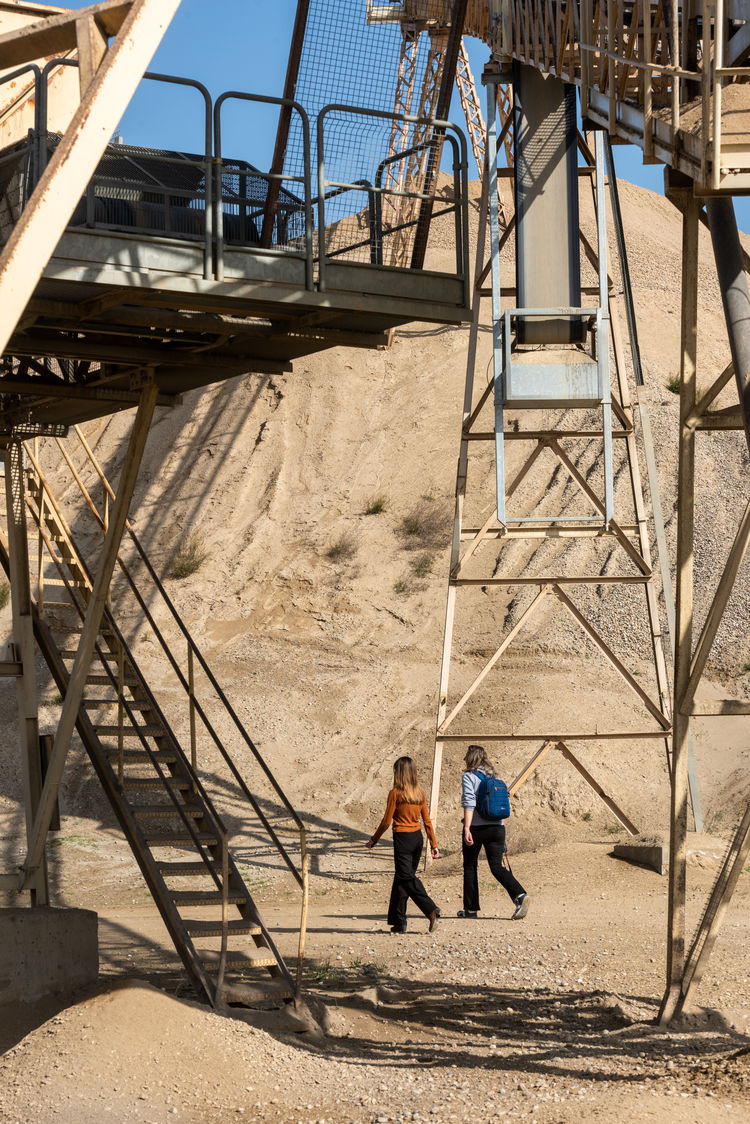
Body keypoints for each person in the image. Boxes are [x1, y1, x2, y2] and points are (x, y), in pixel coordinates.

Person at [366, 755, 441, 933]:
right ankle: (399, 922)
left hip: (403, 839)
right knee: (401, 879)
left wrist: (374, 840)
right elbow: (427, 821)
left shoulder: (395, 793)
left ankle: (431, 909)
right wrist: (433, 845)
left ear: (398, 773)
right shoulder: (420, 793)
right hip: (417, 839)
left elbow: (386, 821)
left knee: (406, 878)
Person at [459, 744, 529, 920]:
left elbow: (469, 802)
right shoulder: (494, 777)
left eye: (466, 756)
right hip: (497, 827)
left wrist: (467, 828)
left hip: (476, 828)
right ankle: (520, 896)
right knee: (497, 867)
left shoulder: (469, 777)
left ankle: (471, 909)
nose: (463, 759)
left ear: (471, 758)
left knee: (470, 866)